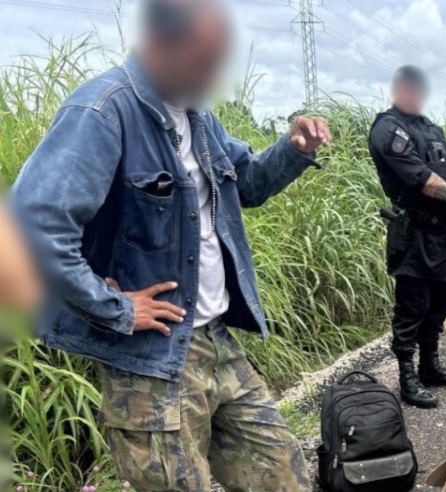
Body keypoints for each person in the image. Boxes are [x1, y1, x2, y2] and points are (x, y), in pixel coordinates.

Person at [12, 0, 330, 489]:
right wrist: (117, 308)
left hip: (215, 341)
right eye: (203, 61)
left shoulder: (197, 114)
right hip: (148, 360)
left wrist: (292, 150)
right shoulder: (102, 111)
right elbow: (32, 227)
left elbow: (246, 184)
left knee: (284, 475)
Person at [368, 66, 446, 409]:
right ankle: (407, 376)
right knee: (412, 306)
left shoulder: (431, 128)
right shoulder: (389, 129)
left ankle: (430, 366)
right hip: (414, 233)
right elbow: (421, 179)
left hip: (444, 232)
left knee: (440, 302)